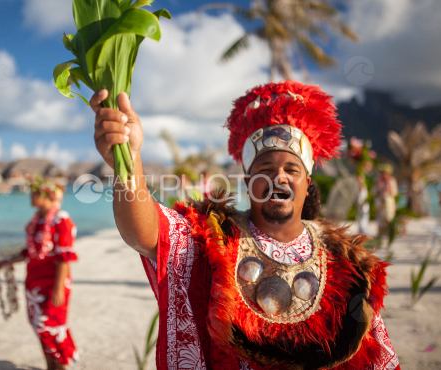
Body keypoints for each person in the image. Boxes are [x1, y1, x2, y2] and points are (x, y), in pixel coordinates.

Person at [90, 81, 399, 369]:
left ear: (307, 183)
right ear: (249, 181)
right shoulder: (210, 237)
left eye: (291, 169)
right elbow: (145, 233)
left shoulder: (348, 263)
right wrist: (128, 161)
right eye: (266, 168)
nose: (279, 177)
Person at [0, 177, 79, 370]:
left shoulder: (62, 219)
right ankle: (50, 366)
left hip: (55, 284)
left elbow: (64, 257)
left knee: (49, 327)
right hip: (33, 284)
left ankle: (61, 366)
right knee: (38, 329)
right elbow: (29, 252)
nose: (30, 196)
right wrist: (6, 261)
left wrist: (58, 289)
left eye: (34, 193)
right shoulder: (35, 222)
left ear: (46, 195)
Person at [373, 164, 399, 240]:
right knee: (380, 220)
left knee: (389, 218)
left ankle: (390, 234)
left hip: (389, 203)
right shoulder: (378, 181)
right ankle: (380, 235)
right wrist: (380, 192)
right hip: (380, 203)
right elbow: (373, 191)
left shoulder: (392, 181)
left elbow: (395, 192)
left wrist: (389, 192)